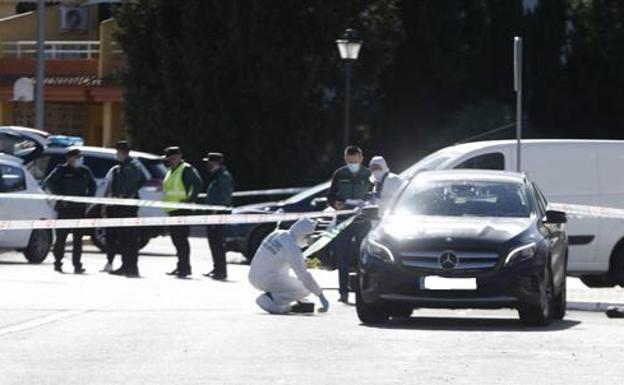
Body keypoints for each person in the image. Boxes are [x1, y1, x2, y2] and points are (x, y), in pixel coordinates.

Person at [248, 218, 330, 314]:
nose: (307, 241)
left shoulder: (278, 233)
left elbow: (280, 255)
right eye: (308, 237)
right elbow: (303, 275)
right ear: (303, 234)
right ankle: (269, 299)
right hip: (268, 279)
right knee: (305, 289)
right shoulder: (291, 245)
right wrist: (320, 295)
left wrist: (304, 260)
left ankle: (274, 296)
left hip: (255, 275)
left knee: (295, 284)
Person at [327, 145, 372, 303]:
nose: (352, 163)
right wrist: (335, 204)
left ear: (361, 158)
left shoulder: (368, 174)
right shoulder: (340, 174)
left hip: (362, 222)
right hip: (343, 222)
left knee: (364, 258)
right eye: (349, 160)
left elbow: (375, 196)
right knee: (342, 258)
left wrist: (366, 203)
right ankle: (343, 292)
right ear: (345, 159)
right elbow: (330, 196)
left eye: (355, 160)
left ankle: (363, 292)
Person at [43, 147, 96, 274]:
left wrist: (88, 199)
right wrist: (60, 196)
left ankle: (77, 265)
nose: (79, 159)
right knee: (61, 237)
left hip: (79, 209)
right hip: (65, 209)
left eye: (80, 157)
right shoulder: (61, 170)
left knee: (78, 239)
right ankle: (58, 263)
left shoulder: (84, 170)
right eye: (76, 157)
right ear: (69, 158)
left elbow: (93, 185)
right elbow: (49, 182)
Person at [107, 141, 147, 277]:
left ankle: (132, 267)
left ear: (122, 152)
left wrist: (129, 194)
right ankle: (126, 266)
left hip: (128, 206)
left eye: (117, 152)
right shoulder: (122, 166)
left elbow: (144, 179)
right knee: (123, 237)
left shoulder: (132, 165)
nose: (116, 154)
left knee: (130, 237)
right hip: (121, 205)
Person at [162, 146, 202, 278]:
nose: (170, 160)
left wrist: (190, 200)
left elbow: (197, 183)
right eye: (169, 158)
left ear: (178, 157)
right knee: (176, 240)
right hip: (172, 210)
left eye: (172, 158)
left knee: (181, 240)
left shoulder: (186, 169)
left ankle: (185, 268)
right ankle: (181, 266)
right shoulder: (171, 171)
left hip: (181, 210)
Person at [201, 152, 234, 280]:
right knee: (214, 243)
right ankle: (217, 268)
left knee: (217, 243)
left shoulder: (223, 177)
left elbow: (223, 199)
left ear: (214, 163)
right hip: (214, 215)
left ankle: (221, 271)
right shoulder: (217, 176)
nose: (207, 165)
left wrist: (214, 214)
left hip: (218, 215)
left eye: (209, 162)